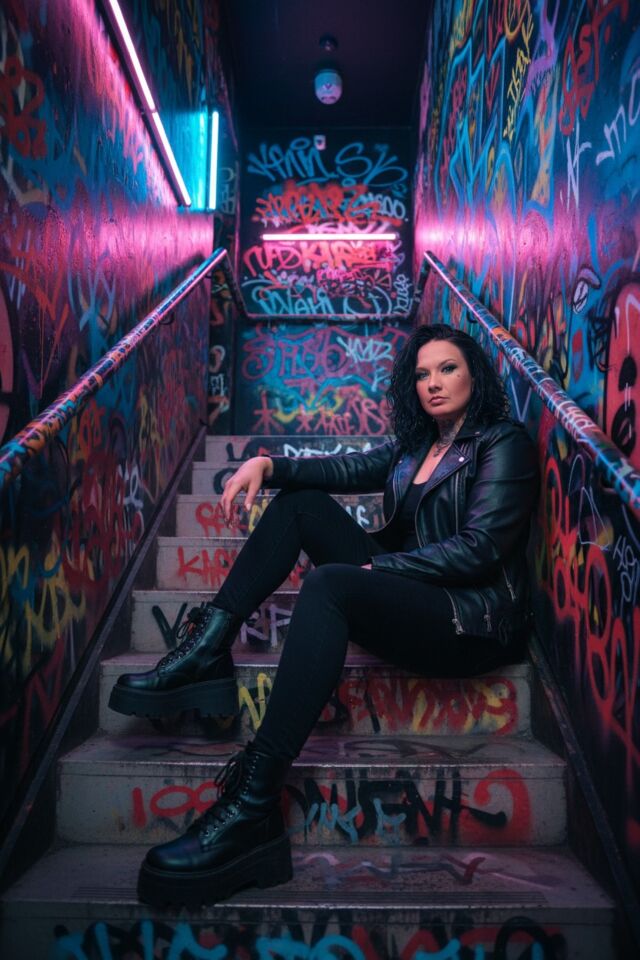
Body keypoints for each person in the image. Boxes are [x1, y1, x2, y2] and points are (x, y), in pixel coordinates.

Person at [109, 323, 539, 907]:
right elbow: (346, 470)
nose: (433, 383)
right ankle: (207, 648)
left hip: (468, 623)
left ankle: (252, 804)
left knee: (330, 584)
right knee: (301, 506)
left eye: (447, 369)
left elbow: (480, 549)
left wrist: (379, 569)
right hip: (411, 596)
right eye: (421, 374)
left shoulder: (502, 443)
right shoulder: (418, 447)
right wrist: (269, 465)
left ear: (474, 375)